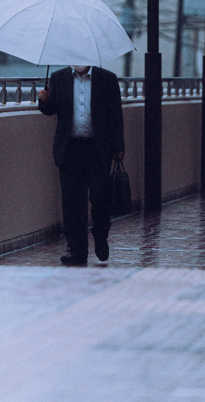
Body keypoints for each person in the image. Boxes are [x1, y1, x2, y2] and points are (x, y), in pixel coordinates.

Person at [38, 63, 124, 266]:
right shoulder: (59, 78)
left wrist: (119, 146)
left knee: (100, 199)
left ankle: (101, 236)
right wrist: (44, 100)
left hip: (98, 149)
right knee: (72, 202)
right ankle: (77, 250)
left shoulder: (107, 78)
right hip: (70, 149)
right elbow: (51, 110)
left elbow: (116, 115)